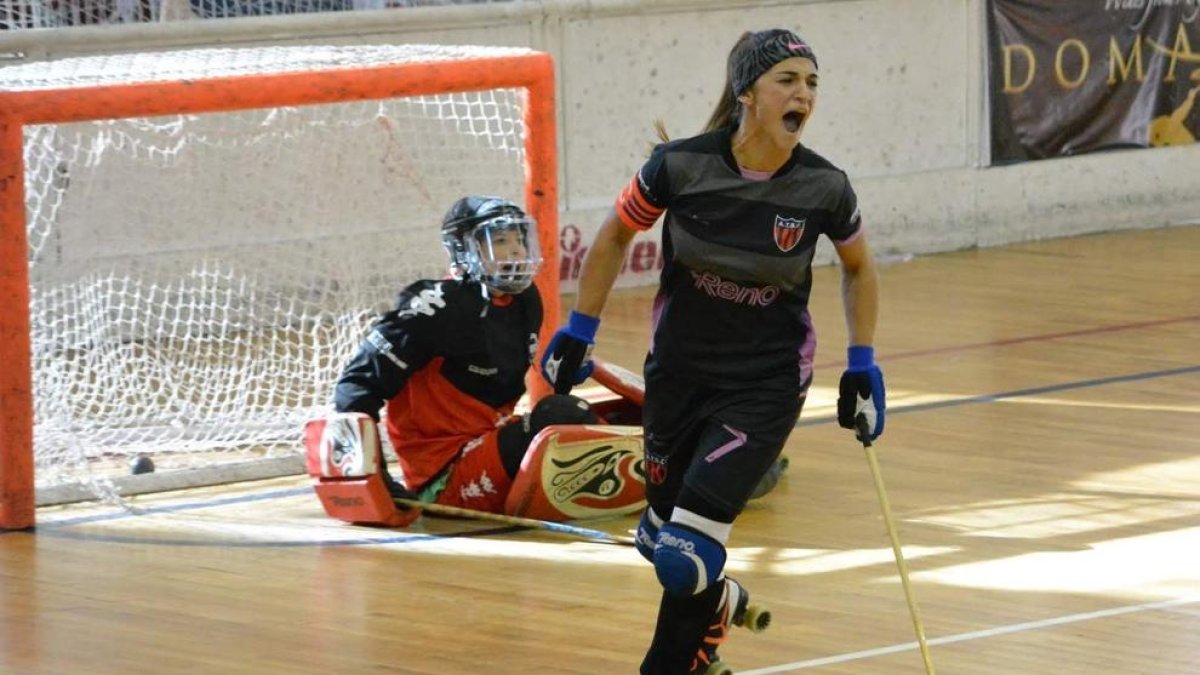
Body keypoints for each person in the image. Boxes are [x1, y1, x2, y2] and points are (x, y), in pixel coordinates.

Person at [540, 28, 886, 674]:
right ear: (747, 93)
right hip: (677, 374)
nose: (803, 94)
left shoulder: (824, 188)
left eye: (812, 83)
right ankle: (718, 603)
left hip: (764, 383)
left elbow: (860, 267)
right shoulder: (678, 166)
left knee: (686, 554)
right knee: (659, 538)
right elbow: (616, 234)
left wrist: (863, 363)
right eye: (788, 80)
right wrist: (578, 327)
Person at [332, 195, 598, 515]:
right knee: (561, 417)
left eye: (519, 239)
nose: (516, 250)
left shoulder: (526, 300)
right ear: (464, 250)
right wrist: (374, 478)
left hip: (490, 443)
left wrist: (564, 370)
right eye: (500, 240)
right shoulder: (434, 307)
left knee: (583, 417)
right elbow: (356, 384)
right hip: (444, 473)